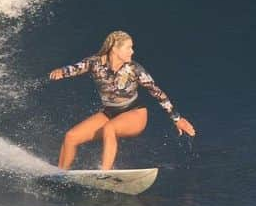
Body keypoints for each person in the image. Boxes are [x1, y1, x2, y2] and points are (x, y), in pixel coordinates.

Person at [49, 31, 196, 170]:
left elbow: (157, 92)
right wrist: (61, 72)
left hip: (135, 113)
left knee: (109, 129)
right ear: (114, 48)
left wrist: (177, 119)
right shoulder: (95, 63)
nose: (132, 51)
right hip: (109, 113)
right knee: (71, 137)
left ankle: (104, 173)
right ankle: (60, 175)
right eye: (128, 47)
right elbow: (75, 68)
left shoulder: (134, 69)